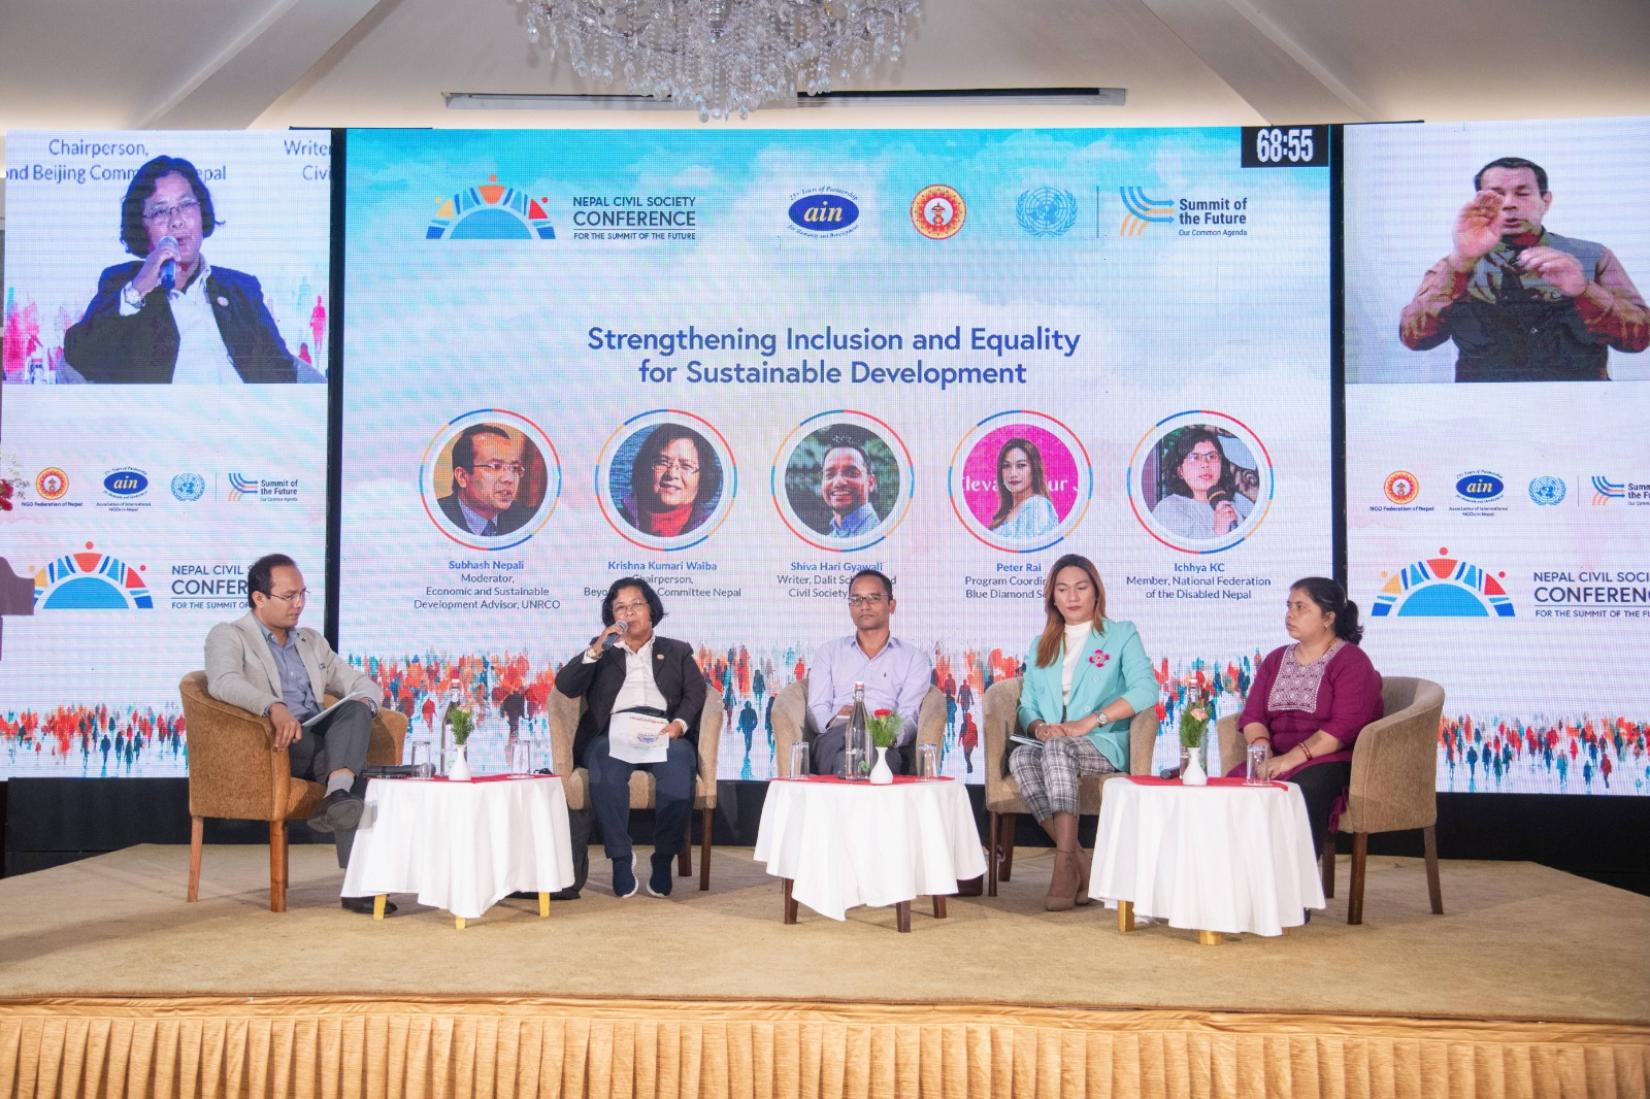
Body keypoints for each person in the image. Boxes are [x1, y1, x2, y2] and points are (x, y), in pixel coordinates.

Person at [204, 554, 387, 914]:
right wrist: (273, 706)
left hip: (318, 739)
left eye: (303, 594)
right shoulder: (229, 635)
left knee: (355, 709)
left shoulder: (311, 641)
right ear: (260, 598)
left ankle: (336, 799)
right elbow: (222, 683)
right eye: (289, 596)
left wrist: (367, 698)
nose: (299, 604)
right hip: (274, 743)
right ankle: (357, 881)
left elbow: (357, 681)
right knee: (354, 768)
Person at [1399, 156, 1648, 382]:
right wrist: (1459, 264)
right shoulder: (1454, 265)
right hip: (1481, 410)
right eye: (1495, 195)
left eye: (1522, 193)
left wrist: (1585, 290)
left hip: (1580, 406)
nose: (1509, 204)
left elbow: (1639, 338)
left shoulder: (1593, 257)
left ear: (1545, 201)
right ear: (1479, 203)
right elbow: (1414, 339)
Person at [63, 155, 302, 384]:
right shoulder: (123, 283)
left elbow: (282, 374)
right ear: (140, 227)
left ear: (201, 213)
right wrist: (138, 290)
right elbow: (81, 358)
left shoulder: (242, 288)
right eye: (160, 211)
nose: (176, 221)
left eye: (186, 205)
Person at [1008, 553, 1156, 911]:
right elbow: (1026, 704)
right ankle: (1079, 861)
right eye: (1062, 589)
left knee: (1059, 749)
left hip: (1103, 741)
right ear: (1052, 598)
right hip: (1054, 743)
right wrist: (1039, 726)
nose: (1072, 597)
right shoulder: (1041, 643)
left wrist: (1090, 722)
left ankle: (1062, 866)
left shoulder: (1121, 634)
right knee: (1021, 755)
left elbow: (1145, 690)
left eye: (1080, 587)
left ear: (1095, 593)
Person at [554, 577, 706, 899]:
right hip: (614, 733)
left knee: (679, 768)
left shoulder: (677, 651)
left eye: (636, 604)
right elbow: (566, 686)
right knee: (605, 770)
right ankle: (621, 859)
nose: (629, 612)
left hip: (662, 729)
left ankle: (663, 859)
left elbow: (696, 694)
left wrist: (678, 724)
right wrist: (596, 647)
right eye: (620, 607)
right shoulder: (604, 652)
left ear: (652, 609)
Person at [1230, 577, 1383, 858]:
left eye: (1301, 607)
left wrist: (1290, 759)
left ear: (1328, 617)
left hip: (1331, 757)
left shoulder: (1351, 661)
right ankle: (1242, 883)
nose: (1290, 614)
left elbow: (1343, 728)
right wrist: (1261, 748)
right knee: (1233, 784)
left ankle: (1296, 895)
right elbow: (1253, 714)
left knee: (1305, 788)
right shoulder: (1276, 659)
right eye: (1289, 606)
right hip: (1278, 755)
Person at [805, 569, 931, 778]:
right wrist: (833, 720)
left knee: (871, 755)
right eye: (857, 599)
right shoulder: (829, 652)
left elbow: (909, 714)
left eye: (873, 598)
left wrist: (886, 735)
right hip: (837, 736)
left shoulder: (913, 658)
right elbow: (816, 707)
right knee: (842, 754)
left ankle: (850, 784)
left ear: (892, 605)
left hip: (882, 741)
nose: (864, 606)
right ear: (850, 607)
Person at [617, 424, 719, 537]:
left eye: (686, 466)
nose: (672, 474)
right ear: (645, 468)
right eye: (662, 462)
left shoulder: (714, 531)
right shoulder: (616, 520)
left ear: (703, 477)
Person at [1150, 428, 1252, 540]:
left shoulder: (1230, 508)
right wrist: (1218, 532)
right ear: (1180, 471)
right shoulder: (1168, 509)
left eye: (1212, 457)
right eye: (1195, 458)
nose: (1205, 464)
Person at [437, 424, 534, 537]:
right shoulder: (433, 519)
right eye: (496, 467)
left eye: (515, 468)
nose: (509, 478)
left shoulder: (527, 521)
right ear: (462, 476)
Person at [988, 437, 1059, 539]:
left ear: (1034, 469)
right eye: (1006, 466)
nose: (1013, 474)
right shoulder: (1005, 512)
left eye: (1021, 465)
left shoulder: (1037, 505)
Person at [817, 437, 881, 537]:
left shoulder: (881, 534)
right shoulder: (829, 539)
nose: (839, 482)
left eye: (852, 473)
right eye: (829, 474)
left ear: (871, 483)